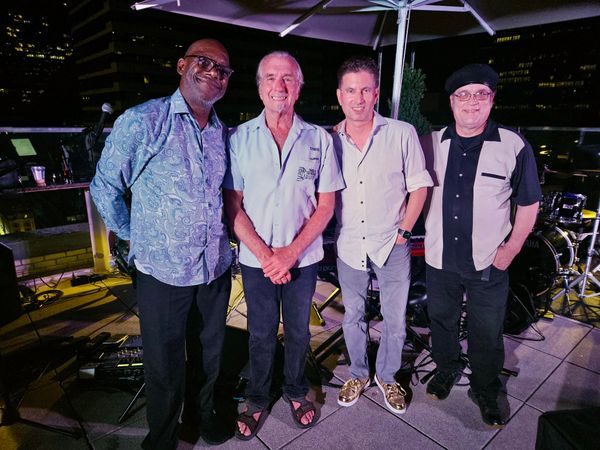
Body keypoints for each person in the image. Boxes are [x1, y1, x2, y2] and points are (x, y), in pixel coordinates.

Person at [90, 39, 234, 449]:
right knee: (164, 364)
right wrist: (134, 236)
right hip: (162, 271)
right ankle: (164, 438)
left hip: (214, 267)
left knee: (209, 354)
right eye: (204, 62)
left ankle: (202, 417)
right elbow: (104, 187)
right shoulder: (143, 121)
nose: (214, 72)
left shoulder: (223, 132)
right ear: (181, 65)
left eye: (223, 69)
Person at [223, 51, 344, 440]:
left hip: (302, 258)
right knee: (259, 332)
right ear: (260, 87)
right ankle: (258, 396)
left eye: (288, 78)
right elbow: (232, 205)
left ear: (299, 87)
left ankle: (294, 388)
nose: (280, 86)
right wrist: (266, 255)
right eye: (271, 78)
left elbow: (326, 206)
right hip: (256, 259)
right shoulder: (239, 139)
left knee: (298, 331)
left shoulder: (319, 139)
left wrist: (290, 253)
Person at [420, 63, 541, 428]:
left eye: (480, 94)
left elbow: (529, 203)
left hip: (489, 259)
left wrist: (511, 249)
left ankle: (485, 387)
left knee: (486, 329)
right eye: (463, 95)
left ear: (492, 99)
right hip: (439, 256)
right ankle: (447, 367)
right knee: (441, 320)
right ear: (452, 101)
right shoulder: (430, 143)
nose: (471, 102)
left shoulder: (513, 145)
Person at [331, 56, 433, 414]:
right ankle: (358, 373)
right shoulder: (329, 139)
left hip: (392, 242)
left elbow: (419, 186)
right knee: (352, 316)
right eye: (350, 91)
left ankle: (387, 377)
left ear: (376, 94)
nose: (358, 98)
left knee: (395, 318)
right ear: (340, 95)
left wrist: (404, 231)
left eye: (365, 90)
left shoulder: (401, 133)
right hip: (349, 243)